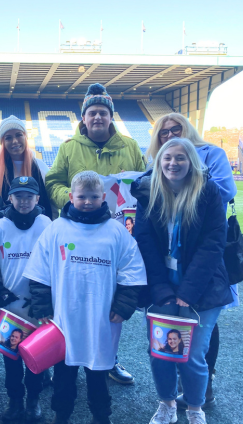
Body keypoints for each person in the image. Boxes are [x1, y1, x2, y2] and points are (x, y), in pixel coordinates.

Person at [24, 171, 147, 424]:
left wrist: (123, 307)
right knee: (63, 374)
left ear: (104, 198)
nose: (88, 201)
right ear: (71, 196)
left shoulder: (116, 231)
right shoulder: (56, 229)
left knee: (98, 373)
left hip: (101, 321)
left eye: (93, 196)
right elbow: (39, 272)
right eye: (82, 196)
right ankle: (62, 413)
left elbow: (132, 271)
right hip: (63, 320)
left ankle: (101, 415)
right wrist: (42, 306)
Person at [45, 83, 145, 385]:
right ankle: (65, 355)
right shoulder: (68, 147)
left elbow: (141, 184)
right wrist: (75, 201)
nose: (98, 117)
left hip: (115, 234)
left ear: (110, 116)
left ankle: (109, 358)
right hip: (77, 231)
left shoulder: (129, 146)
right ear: (84, 117)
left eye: (103, 112)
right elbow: (52, 182)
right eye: (92, 112)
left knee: (110, 298)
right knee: (74, 295)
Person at [131, 138, 233, 424]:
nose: (172, 163)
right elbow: (145, 242)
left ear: (191, 163)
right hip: (160, 287)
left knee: (193, 356)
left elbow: (213, 243)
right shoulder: (148, 192)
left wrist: (187, 293)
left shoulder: (208, 191)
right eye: (167, 158)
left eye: (180, 158)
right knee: (162, 352)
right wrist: (162, 291)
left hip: (203, 289)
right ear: (159, 161)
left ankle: (195, 408)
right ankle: (166, 405)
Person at [0, 176, 52, 422]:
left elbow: (54, 264)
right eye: (19, 196)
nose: (24, 202)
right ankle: (15, 401)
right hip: (9, 307)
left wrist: (46, 300)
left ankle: (33, 401)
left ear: (37, 198)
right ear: (10, 198)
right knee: (11, 360)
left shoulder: (46, 224)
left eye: (29, 196)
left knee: (35, 359)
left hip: (38, 307)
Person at [0, 115, 52, 219]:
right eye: (8, 138)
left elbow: (50, 203)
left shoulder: (41, 168)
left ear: (25, 137)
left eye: (18, 135)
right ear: (2, 142)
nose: (15, 141)